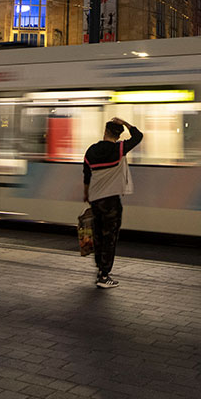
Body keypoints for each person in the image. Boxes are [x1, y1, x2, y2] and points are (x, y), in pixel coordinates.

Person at [83, 116, 143, 289]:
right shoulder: (119, 149)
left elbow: (86, 174)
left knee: (98, 236)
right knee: (110, 237)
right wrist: (125, 123)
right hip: (111, 201)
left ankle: (99, 269)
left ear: (105, 131)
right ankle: (104, 275)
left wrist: (86, 194)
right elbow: (138, 136)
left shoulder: (91, 151)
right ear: (118, 136)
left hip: (95, 199)